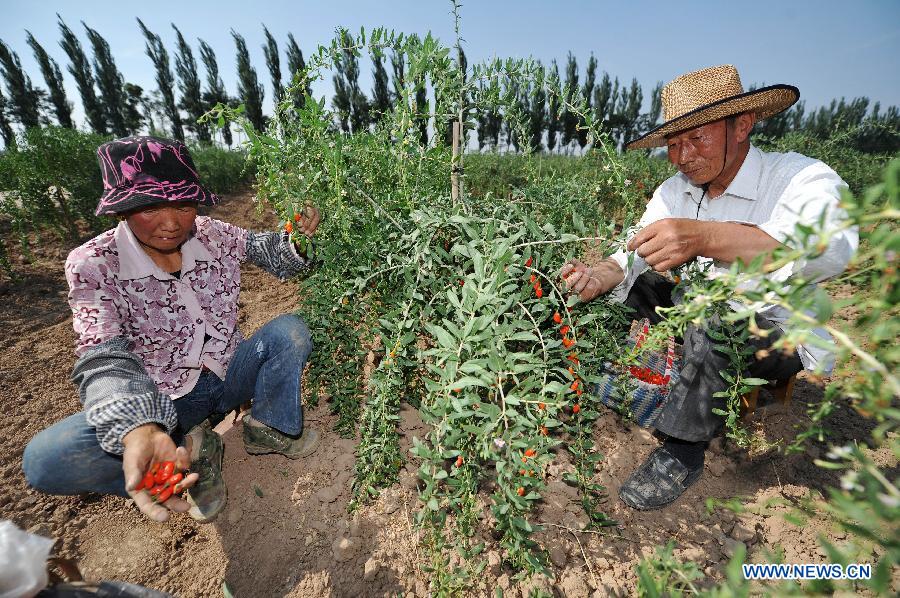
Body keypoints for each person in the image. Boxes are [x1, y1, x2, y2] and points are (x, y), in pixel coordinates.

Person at [561, 65, 858, 510]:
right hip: (691, 315)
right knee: (640, 288)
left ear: (742, 125)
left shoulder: (800, 178)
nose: (682, 157)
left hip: (774, 331)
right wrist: (598, 276)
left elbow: (830, 249)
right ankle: (619, 378)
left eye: (696, 138)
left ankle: (683, 448)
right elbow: (630, 255)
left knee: (711, 310)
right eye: (673, 144)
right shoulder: (674, 191)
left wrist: (703, 237)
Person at [22, 136, 322, 524]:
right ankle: (184, 450)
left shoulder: (210, 233)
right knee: (47, 459)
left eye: (183, 205)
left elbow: (268, 250)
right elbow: (102, 353)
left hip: (230, 373)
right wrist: (137, 426)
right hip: (167, 403)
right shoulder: (93, 264)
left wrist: (299, 235)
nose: (171, 223)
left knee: (291, 332)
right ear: (122, 210)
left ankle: (264, 425)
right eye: (149, 207)